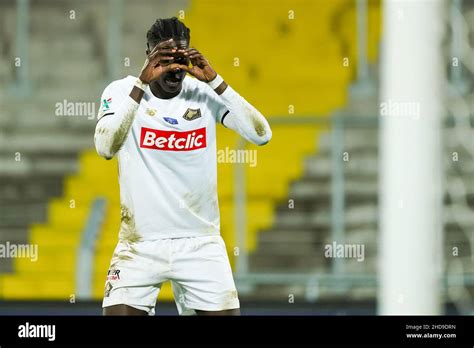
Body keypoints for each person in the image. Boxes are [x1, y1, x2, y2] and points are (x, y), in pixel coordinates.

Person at [94, 17, 272, 316]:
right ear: (149, 54)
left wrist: (215, 81)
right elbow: (105, 148)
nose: (173, 67)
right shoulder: (123, 91)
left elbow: (262, 134)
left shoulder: (202, 94)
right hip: (141, 244)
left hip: (200, 243)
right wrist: (141, 83)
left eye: (179, 57)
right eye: (163, 58)